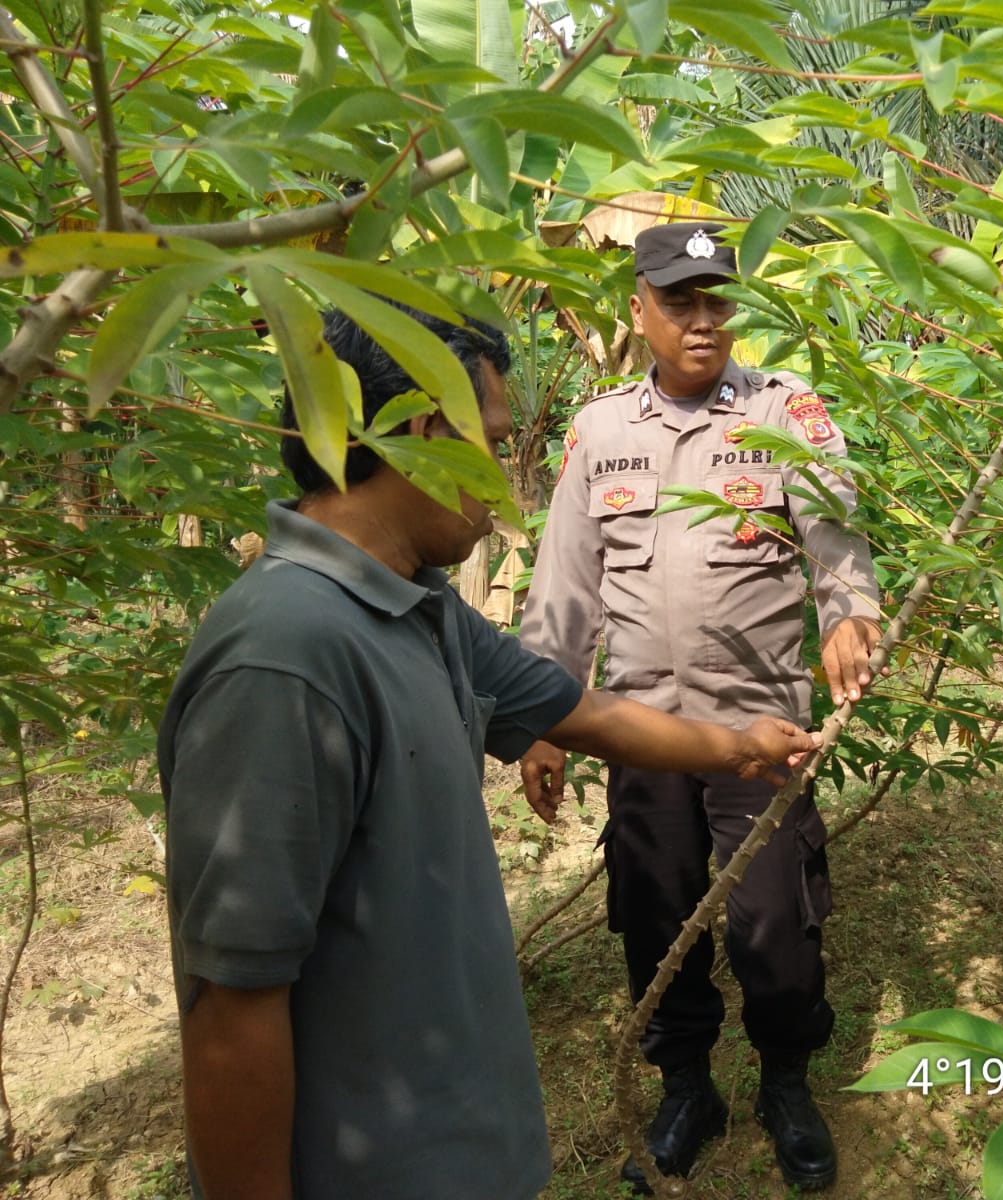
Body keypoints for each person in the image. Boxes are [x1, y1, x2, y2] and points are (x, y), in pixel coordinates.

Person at [158, 301, 820, 1200]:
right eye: (499, 445)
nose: (508, 481)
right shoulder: (286, 659)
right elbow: (232, 1009)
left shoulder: (418, 607)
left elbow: (582, 712)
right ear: (426, 433)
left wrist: (738, 746)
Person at [517, 223, 883, 1193]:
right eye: (679, 301)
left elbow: (838, 547)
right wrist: (544, 722)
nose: (703, 319)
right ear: (638, 308)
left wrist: (851, 617)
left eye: (718, 298)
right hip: (641, 731)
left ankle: (785, 1080)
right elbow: (564, 586)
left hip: (761, 730)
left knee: (775, 920)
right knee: (652, 909)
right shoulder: (601, 432)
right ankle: (686, 1087)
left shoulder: (784, 413)